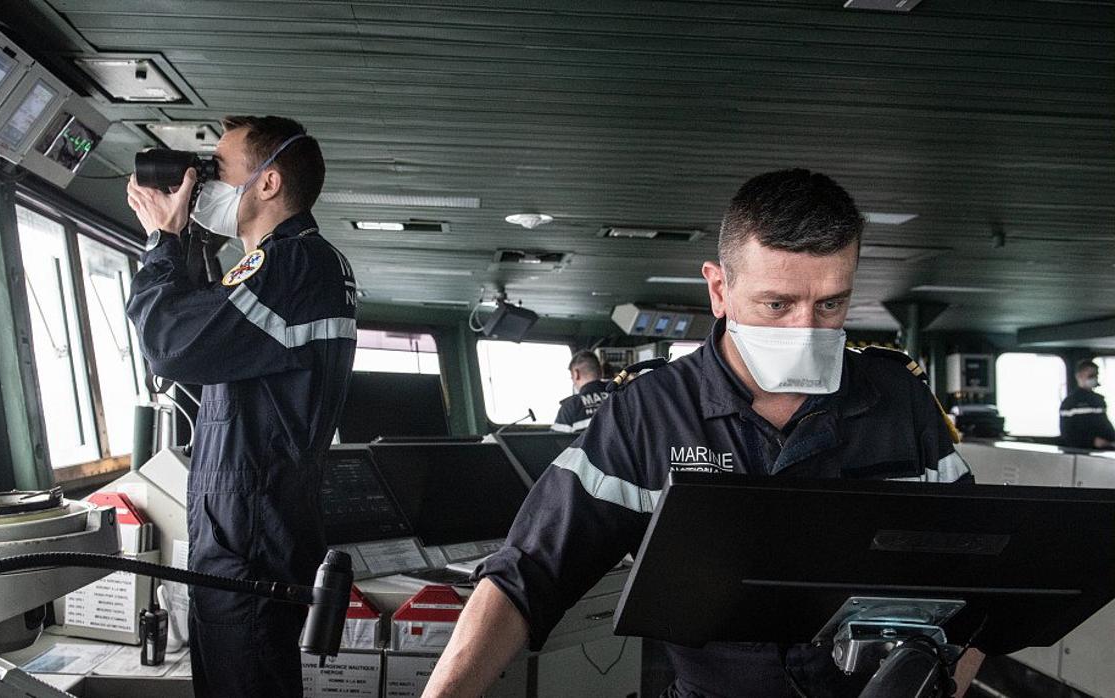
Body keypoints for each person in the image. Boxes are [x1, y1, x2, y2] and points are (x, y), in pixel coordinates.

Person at [422, 169, 983, 698]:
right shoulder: (648, 414)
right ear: (719, 289)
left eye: (830, 304)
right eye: (777, 304)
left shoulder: (898, 401)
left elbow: (987, 582)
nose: (805, 329)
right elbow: (528, 573)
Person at [125, 116, 356, 697]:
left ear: (269, 183)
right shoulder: (287, 264)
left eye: (217, 170)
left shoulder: (293, 265)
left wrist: (162, 243)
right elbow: (209, 339)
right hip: (246, 529)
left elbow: (173, 345)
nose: (203, 184)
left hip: (250, 537)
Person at [1059, 359, 1115, 450]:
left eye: (1096, 375)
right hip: (1081, 451)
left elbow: (1105, 425)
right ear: (1079, 376)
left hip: (1104, 449)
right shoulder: (1069, 403)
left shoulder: (1099, 400)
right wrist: (1092, 441)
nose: (1094, 378)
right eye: (1091, 376)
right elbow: (1067, 433)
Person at [551, 350, 608, 433]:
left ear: (576, 373)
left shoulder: (570, 407)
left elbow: (554, 443)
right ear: (601, 371)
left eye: (571, 376)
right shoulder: (622, 397)